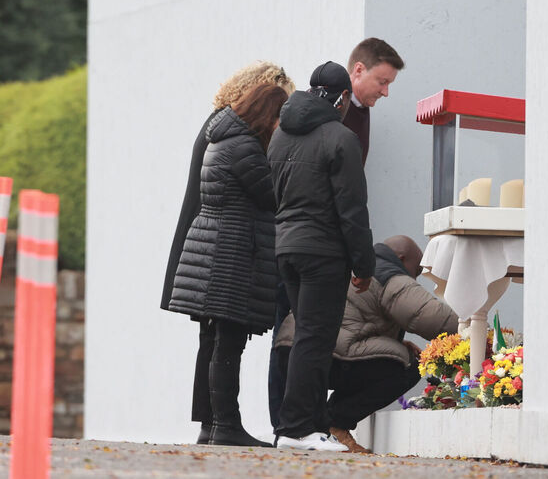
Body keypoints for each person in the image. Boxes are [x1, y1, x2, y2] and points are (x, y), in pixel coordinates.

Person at [160, 62, 294, 445]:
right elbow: (273, 196)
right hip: (229, 255)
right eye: (280, 118)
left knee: (218, 341)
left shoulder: (222, 136)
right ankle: (225, 426)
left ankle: (215, 425)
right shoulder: (244, 147)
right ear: (267, 113)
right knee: (227, 343)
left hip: (216, 251)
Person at [267, 61, 375, 451]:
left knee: (308, 337)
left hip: (287, 248)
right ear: (343, 97)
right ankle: (295, 428)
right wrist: (364, 264)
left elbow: (274, 194)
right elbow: (352, 209)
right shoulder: (341, 138)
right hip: (323, 253)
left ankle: (311, 427)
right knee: (315, 338)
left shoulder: (280, 136)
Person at [273, 236, 459, 452]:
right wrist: (475, 330)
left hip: (290, 348)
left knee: (393, 351)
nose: (414, 278)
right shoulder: (387, 272)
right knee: (410, 364)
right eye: (416, 270)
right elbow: (433, 317)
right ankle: (336, 423)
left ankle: (309, 429)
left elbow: (351, 322)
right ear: (401, 258)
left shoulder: (350, 264)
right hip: (328, 353)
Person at [342, 38, 404, 166]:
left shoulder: (361, 105)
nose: (385, 93)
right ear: (359, 70)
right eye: (382, 82)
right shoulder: (332, 107)